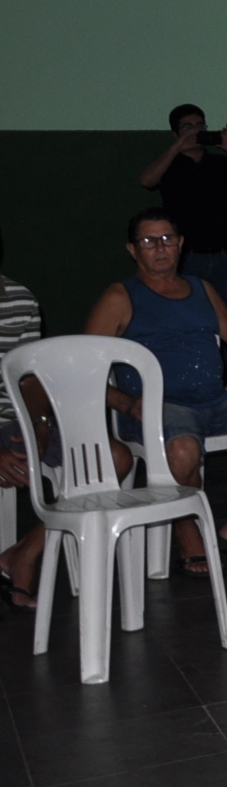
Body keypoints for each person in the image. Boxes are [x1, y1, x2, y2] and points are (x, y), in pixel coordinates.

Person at [86, 208, 227, 572]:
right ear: (133, 249)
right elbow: (83, 368)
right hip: (159, 407)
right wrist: (126, 403)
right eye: (149, 241)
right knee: (184, 450)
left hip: (217, 400)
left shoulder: (202, 289)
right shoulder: (120, 296)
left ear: (181, 244)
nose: (160, 248)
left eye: (167, 239)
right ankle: (188, 532)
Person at [140, 104, 227, 313]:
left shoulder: (219, 163)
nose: (195, 131)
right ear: (175, 133)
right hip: (184, 256)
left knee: (226, 316)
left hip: (221, 255)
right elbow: (146, 180)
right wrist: (176, 148)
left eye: (199, 126)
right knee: (185, 314)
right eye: (187, 127)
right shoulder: (169, 164)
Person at [0, 228, 50, 608]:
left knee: (111, 460)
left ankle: (24, 553)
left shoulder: (18, 298)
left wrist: (41, 425)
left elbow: (30, 379)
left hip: (13, 419)